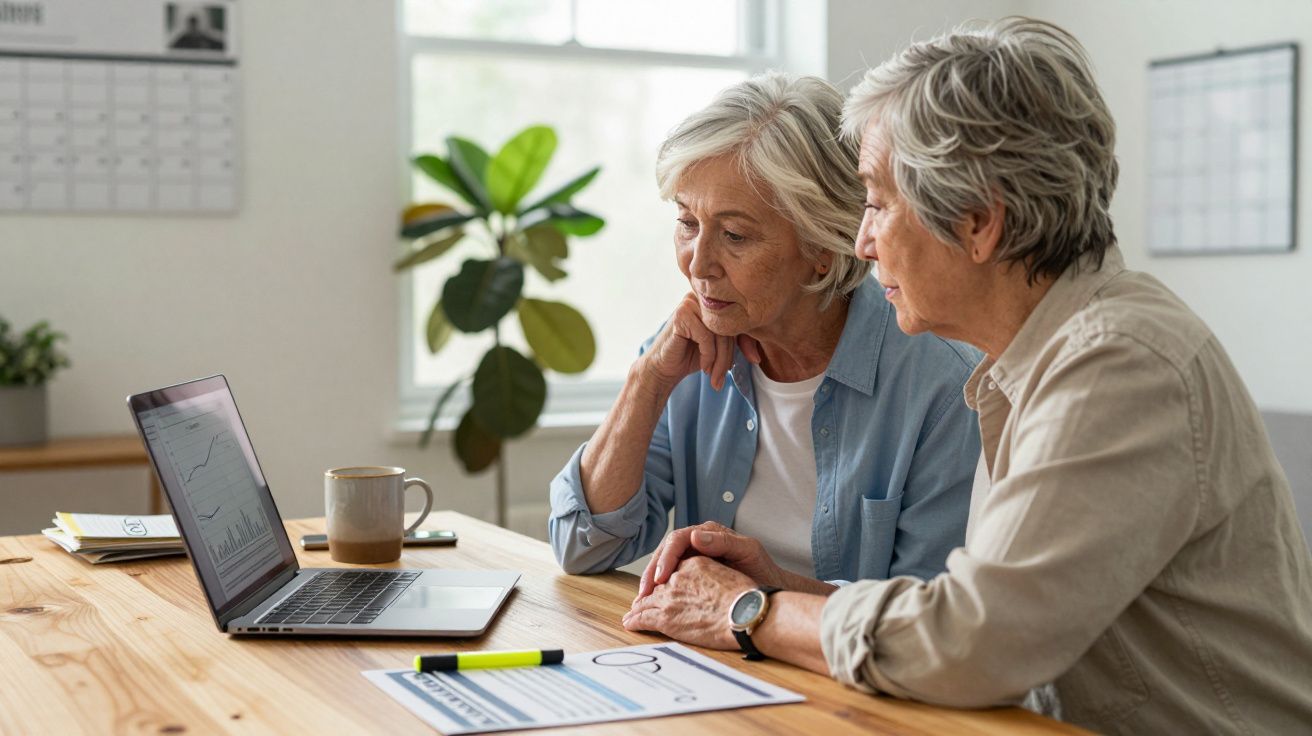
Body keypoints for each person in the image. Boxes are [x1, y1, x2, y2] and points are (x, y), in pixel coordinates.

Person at [622, 18, 1312, 735]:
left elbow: (972, 643)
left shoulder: (1118, 366)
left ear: (979, 223)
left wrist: (749, 611)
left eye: (877, 203)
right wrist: (780, 589)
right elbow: (968, 617)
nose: (861, 242)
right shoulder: (1029, 362)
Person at [548, 72, 982, 592]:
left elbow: (929, 615)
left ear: (824, 248)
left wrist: (764, 594)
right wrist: (647, 380)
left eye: (735, 235)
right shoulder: (683, 351)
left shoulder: (946, 387)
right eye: (687, 224)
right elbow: (581, 545)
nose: (698, 265)